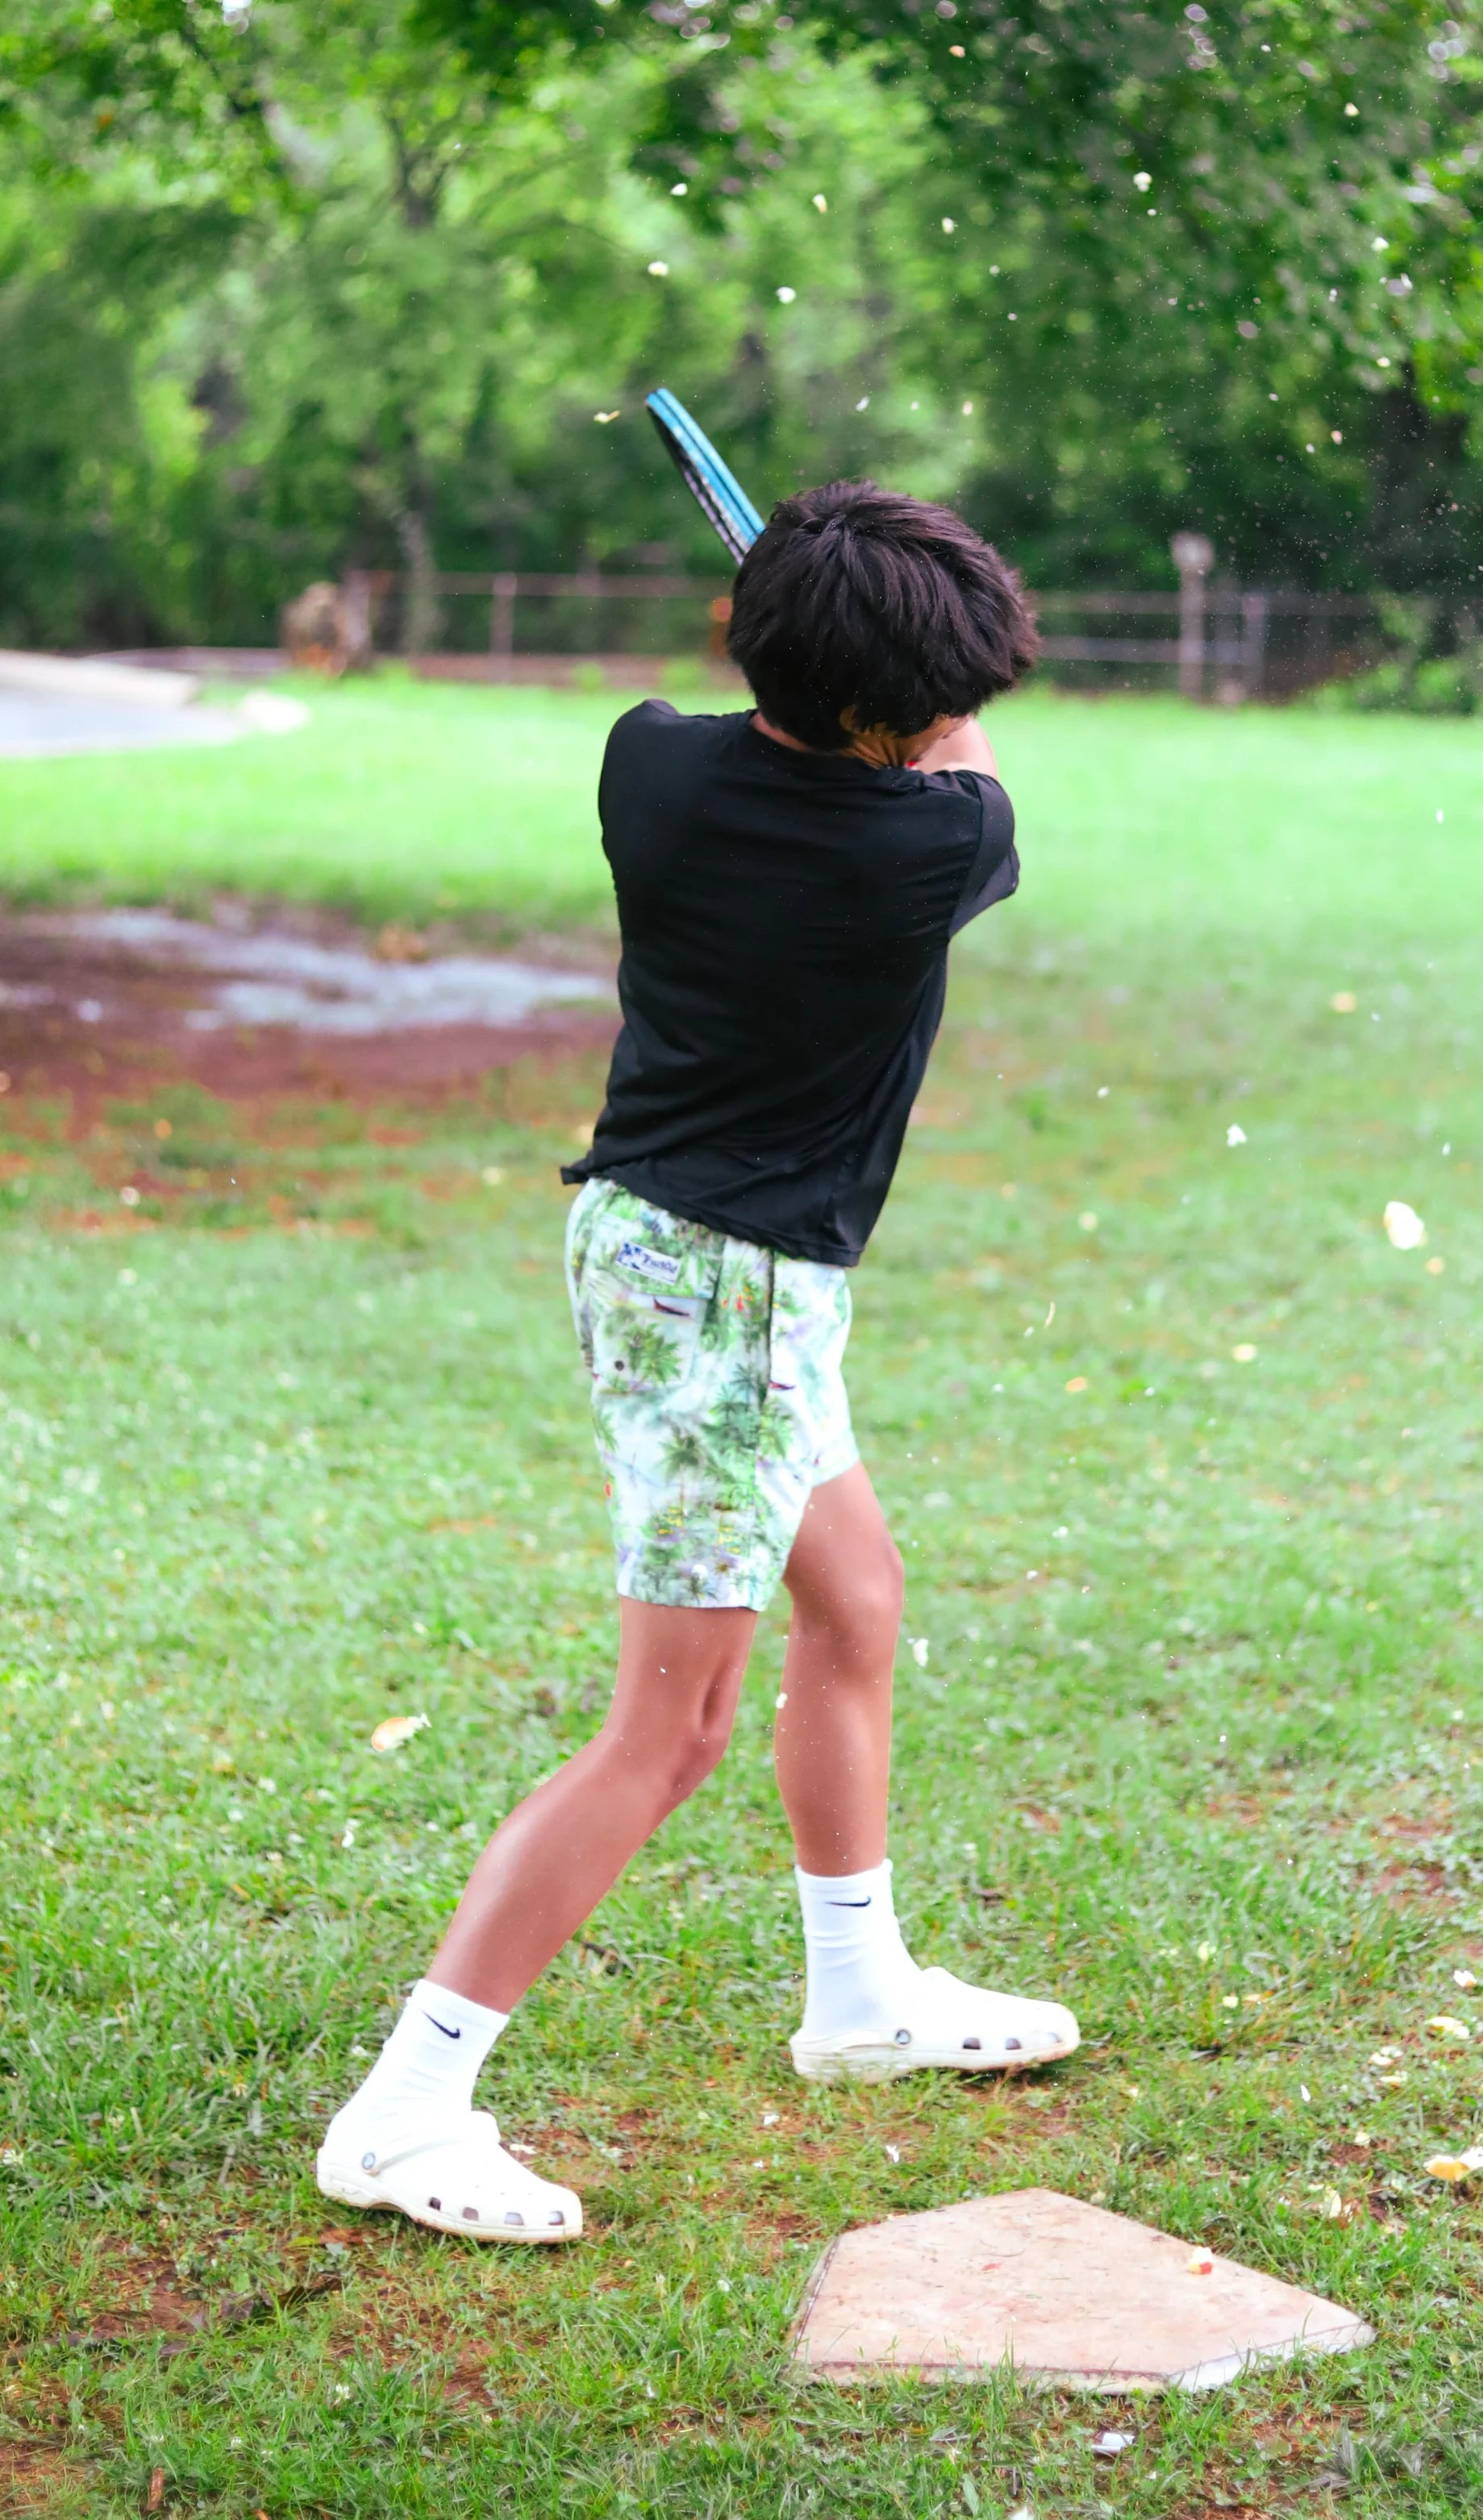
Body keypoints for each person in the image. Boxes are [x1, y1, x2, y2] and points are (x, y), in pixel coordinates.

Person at [317, 483, 1076, 2245]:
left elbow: (824, 717)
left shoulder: (645, 764)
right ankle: (407, 2103)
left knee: (858, 1597)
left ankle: (858, 1987)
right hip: (720, 1294)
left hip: (690, 1254)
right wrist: (878, 667)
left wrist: (824, 621)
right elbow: (959, 763)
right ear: (888, 720)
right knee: (668, 1729)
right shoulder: (931, 848)